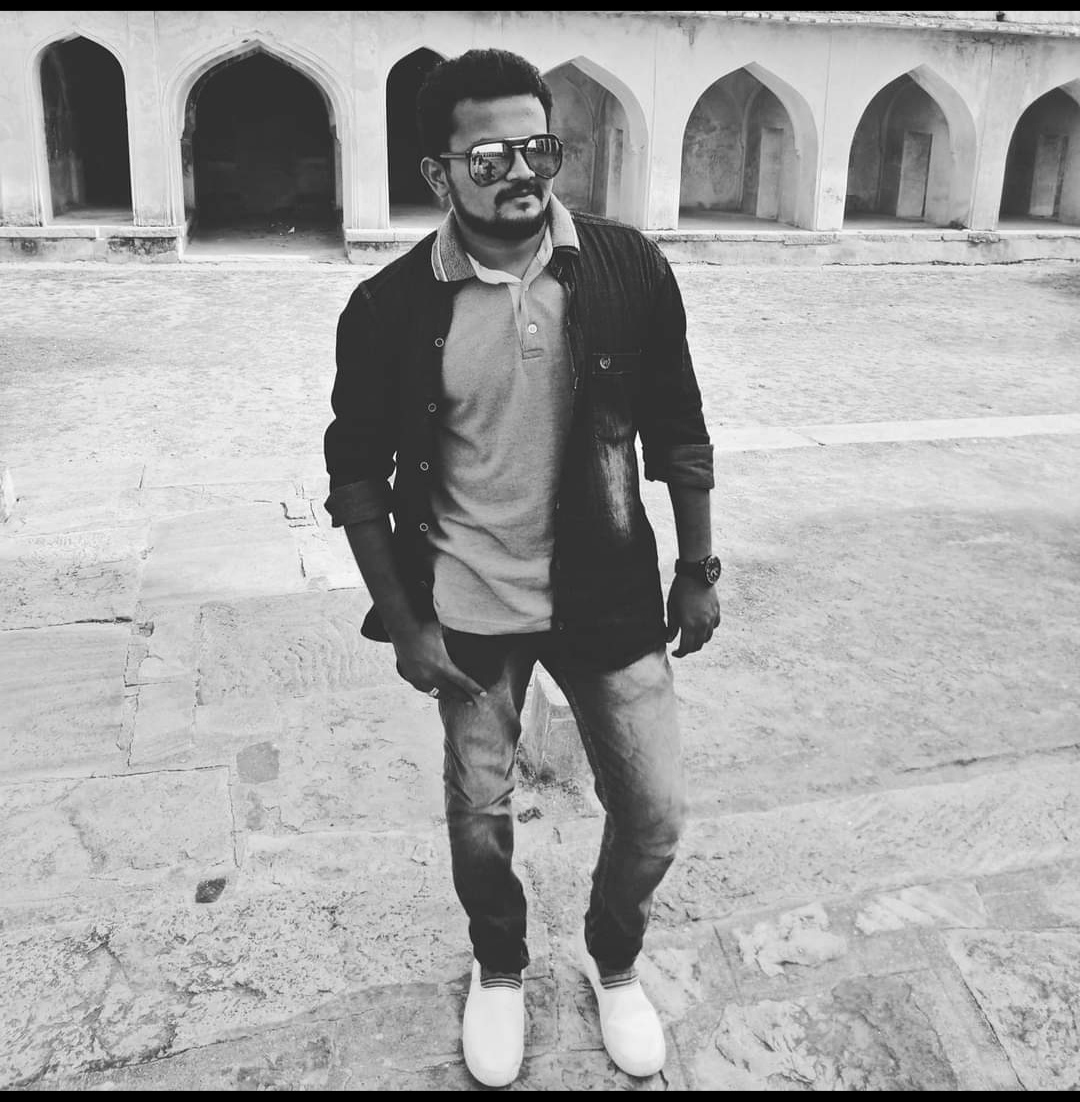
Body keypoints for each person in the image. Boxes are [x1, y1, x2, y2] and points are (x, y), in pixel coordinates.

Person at [323, 47, 720, 1088]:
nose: (521, 174)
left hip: (610, 595)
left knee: (654, 814)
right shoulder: (391, 307)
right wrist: (405, 622)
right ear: (438, 173)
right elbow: (357, 474)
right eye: (489, 157)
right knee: (480, 819)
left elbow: (680, 426)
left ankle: (613, 959)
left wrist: (699, 563)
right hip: (470, 613)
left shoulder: (628, 269)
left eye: (538, 149)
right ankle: (499, 967)